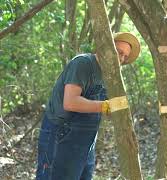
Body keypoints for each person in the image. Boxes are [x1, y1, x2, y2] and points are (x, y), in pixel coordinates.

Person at [36, 32, 140, 180]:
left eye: (125, 57)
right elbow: (70, 102)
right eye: (119, 52)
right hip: (60, 135)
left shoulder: (110, 75)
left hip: (86, 141)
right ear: (106, 48)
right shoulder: (83, 63)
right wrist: (105, 106)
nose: (121, 59)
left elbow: (102, 107)